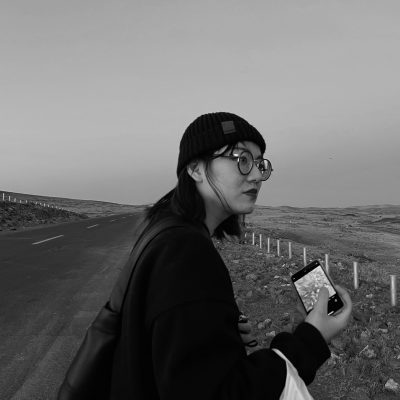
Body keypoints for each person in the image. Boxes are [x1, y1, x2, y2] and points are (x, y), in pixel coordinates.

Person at [110, 112, 352, 399]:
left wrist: (218, 330)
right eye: (242, 159)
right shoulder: (186, 253)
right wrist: (311, 338)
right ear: (195, 168)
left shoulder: (166, 234)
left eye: (259, 164)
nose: (256, 176)